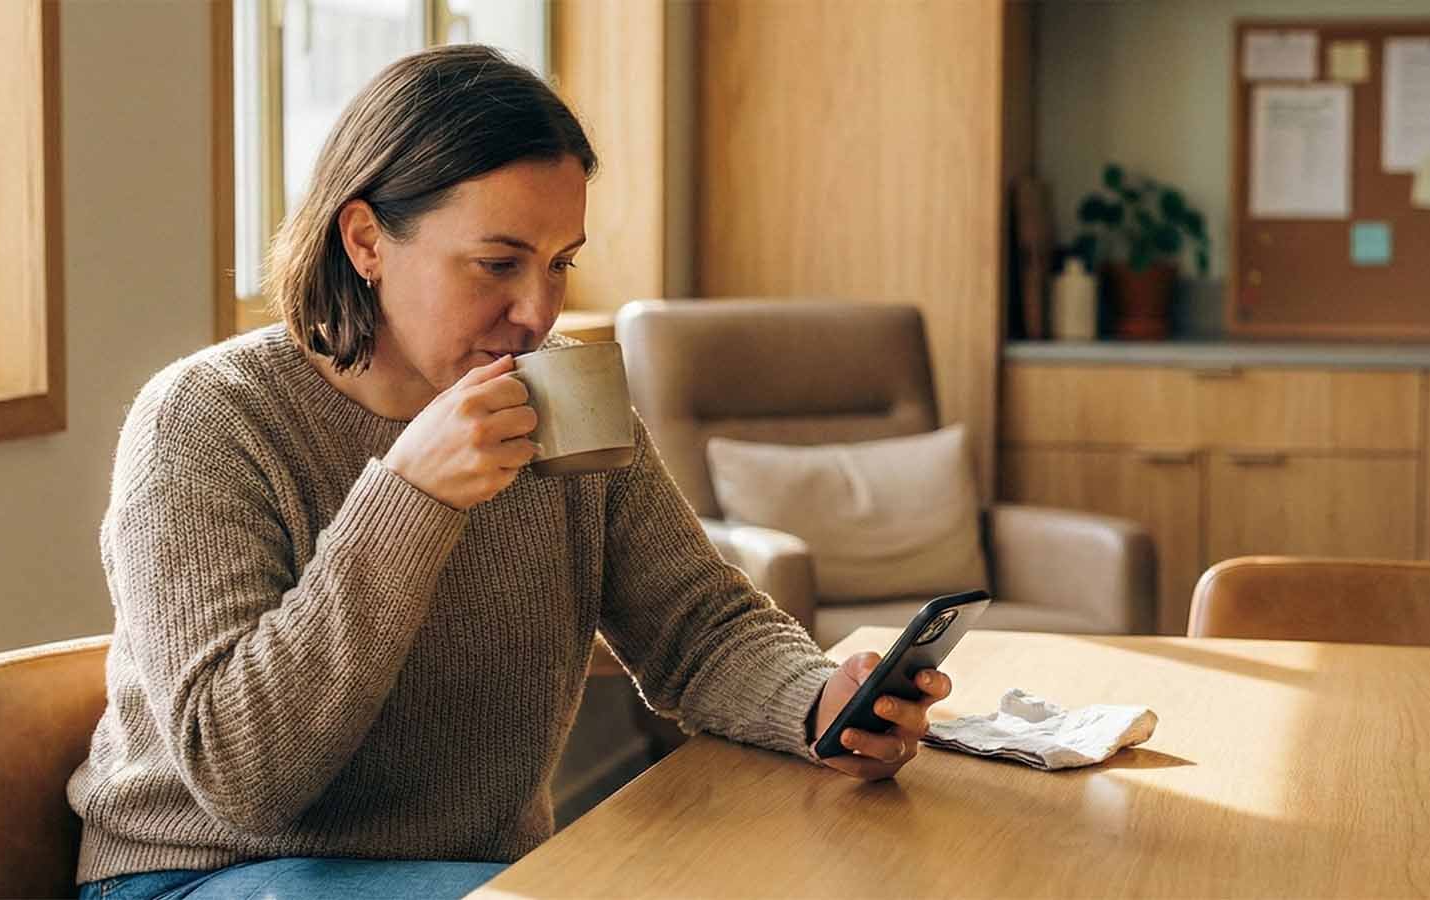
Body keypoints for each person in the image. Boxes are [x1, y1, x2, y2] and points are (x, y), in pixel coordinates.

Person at [67, 44, 954, 900]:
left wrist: (818, 707)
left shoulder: (560, 395)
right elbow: (242, 776)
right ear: (367, 239)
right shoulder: (208, 419)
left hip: (478, 879)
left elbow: (697, 625)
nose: (536, 313)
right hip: (203, 873)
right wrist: (408, 499)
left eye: (559, 264)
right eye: (497, 264)